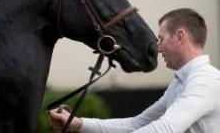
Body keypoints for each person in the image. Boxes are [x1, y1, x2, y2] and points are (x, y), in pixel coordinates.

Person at [49, 8, 220, 132]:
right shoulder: (183, 81)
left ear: (180, 36)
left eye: (161, 39)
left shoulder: (205, 81)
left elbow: (166, 128)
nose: (158, 48)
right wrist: (79, 123)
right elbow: (137, 123)